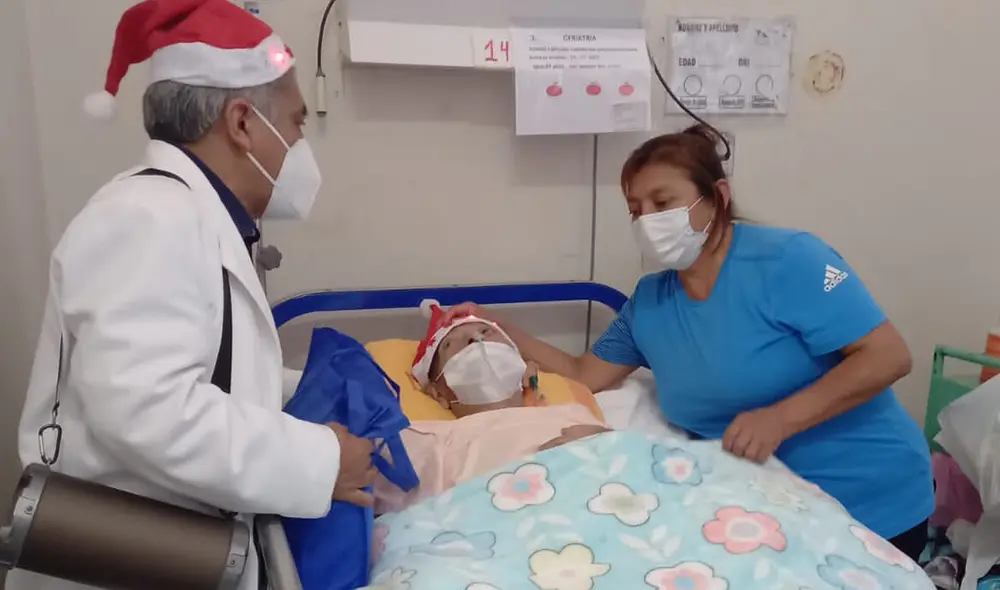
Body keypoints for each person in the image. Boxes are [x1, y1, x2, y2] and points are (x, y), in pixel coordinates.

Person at [442, 124, 934, 560]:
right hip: (759, 510)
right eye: (635, 210)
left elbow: (888, 356)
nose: (647, 220)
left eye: (662, 203)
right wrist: (493, 325)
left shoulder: (788, 261)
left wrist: (779, 419)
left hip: (866, 503)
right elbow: (581, 373)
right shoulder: (651, 303)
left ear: (717, 197)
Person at [11, 1, 372, 589]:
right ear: (242, 123)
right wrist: (322, 459)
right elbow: (146, 408)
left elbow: (200, 368)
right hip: (128, 557)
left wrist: (313, 388)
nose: (299, 143)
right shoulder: (147, 218)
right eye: (297, 122)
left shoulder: (194, 217)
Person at [373, 302, 609, 513]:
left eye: (486, 332)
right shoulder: (430, 441)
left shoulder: (574, 414)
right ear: (438, 394)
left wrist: (602, 441)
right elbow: (358, 465)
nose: (476, 340)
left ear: (526, 368)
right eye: (451, 345)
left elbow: (625, 458)